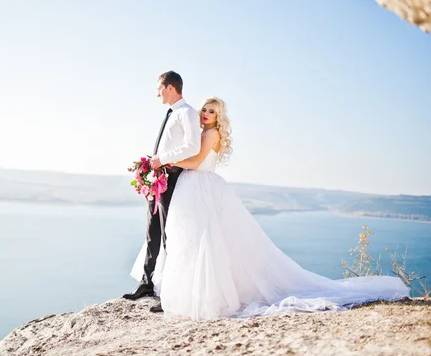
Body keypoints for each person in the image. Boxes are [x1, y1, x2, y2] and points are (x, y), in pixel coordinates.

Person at [131, 97, 410, 320]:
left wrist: (164, 163)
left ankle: (202, 298)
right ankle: (182, 294)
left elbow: (196, 162)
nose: (205, 114)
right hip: (194, 190)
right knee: (192, 243)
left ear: (218, 118)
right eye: (204, 109)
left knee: (204, 243)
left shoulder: (211, 135)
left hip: (202, 189)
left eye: (211, 112)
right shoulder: (201, 132)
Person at [122, 71, 201, 314]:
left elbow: (192, 146)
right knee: (152, 231)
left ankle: (170, 293)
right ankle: (147, 284)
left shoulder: (187, 112)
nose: (157, 93)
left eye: (159, 88)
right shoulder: (172, 114)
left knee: (169, 235)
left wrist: (162, 160)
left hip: (174, 178)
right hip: (160, 178)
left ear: (169, 87)